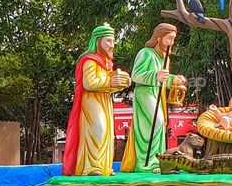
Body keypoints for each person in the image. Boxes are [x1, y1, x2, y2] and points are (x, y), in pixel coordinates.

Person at [62, 24, 131, 176]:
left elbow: (107, 83)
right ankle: (91, 167)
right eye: (108, 41)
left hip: (104, 100)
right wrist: (110, 81)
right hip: (91, 100)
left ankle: (103, 166)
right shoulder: (90, 60)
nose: (111, 45)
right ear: (98, 41)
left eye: (113, 42)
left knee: (106, 132)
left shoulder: (107, 63)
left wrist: (121, 83)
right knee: (97, 130)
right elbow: (89, 83)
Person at [121, 23, 186, 173]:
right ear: (159, 37)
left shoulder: (165, 57)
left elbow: (163, 78)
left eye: (173, 39)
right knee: (153, 124)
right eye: (169, 38)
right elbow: (136, 75)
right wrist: (155, 76)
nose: (171, 42)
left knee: (159, 125)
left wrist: (174, 79)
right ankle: (146, 163)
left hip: (158, 93)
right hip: (144, 93)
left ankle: (157, 160)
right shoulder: (146, 53)